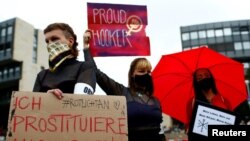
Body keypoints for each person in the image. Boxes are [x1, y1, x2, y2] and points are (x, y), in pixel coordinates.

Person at [83, 30, 165, 141]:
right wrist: (86, 48)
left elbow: (161, 131)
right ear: (132, 74)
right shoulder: (121, 92)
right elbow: (96, 73)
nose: (146, 74)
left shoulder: (156, 101)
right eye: (141, 71)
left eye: (148, 71)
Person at [186, 68, 250, 140]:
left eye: (207, 75)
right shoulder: (192, 102)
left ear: (211, 78)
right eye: (199, 77)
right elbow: (189, 126)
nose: (204, 78)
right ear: (196, 82)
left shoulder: (224, 100)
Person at [33, 23, 96, 97]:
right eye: (47, 41)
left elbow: (81, 102)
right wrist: (46, 98)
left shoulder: (84, 68)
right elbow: (33, 105)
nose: (49, 44)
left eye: (54, 39)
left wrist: (86, 48)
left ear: (70, 41)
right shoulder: (42, 75)